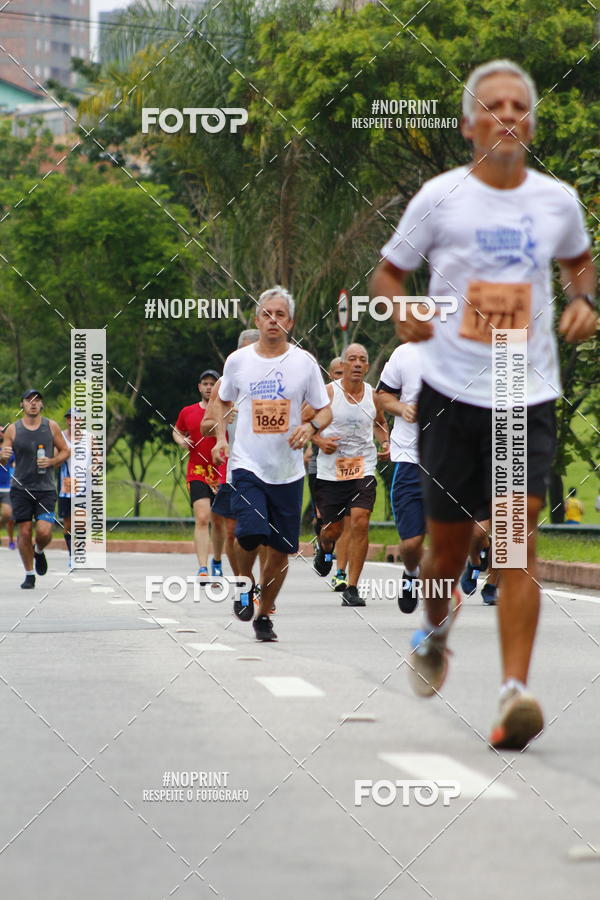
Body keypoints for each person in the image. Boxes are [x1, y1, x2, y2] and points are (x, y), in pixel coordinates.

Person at [370, 59, 598, 750]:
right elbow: (388, 273)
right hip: (448, 393)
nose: (507, 116)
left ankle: (513, 693)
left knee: (515, 540)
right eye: (492, 106)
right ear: (470, 124)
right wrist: (400, 305)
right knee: (442, 554)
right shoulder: (440, 198)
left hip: (522, 392)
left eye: (519, 106)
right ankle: (436, 632)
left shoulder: (556, 200)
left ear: (531, 122)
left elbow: (579, 262)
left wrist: (585, 299)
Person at [211, 285, 331, 641]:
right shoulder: (239, 361)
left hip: (288, 470)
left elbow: (325, 409)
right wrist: (220, 439)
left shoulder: (304, 362)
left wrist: (309, 427)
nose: (273, 320)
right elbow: (220, 400)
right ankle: (244, 584)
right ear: (257, 319)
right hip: (247, 464)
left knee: (281, 550)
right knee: (249, 533)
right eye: (267, 314)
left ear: (290, 322)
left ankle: (264, 616)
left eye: (280, 315)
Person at [308, 343, 389, 607]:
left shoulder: (373, 395)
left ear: (366, 366)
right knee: (333, 530)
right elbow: (304, 424)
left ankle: (352, 587)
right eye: (351, 359)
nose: (356, 364)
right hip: (331, 471)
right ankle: (323, 546)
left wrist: (385, 442)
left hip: (362, 467)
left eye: (362, 360)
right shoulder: (329, 393)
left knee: (360, 521)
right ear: (341, 365)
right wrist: (320, 442)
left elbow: (380, 423)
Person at [201, 329, 267, 592]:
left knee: (262, 531)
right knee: (232, 532)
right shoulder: (224, 385)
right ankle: (244, 583)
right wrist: (221, 425)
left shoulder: (272, 380)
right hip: (234, 468)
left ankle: (262, 584)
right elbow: (205, 425)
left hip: (267, 468)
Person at [0, 390, 69, 588]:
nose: (33, 403)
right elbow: (4, 458)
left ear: (42, 405)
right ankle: (29, 574)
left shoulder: (51, 426)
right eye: (29, 400)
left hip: (45, 489)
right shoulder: (13, 429)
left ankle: (38, 550)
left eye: (37, 400)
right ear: (21, 404)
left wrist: (52, 461)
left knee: (44, 532)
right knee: (24, 530)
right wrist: (2, 456)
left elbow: (66, 450)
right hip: (20, 488)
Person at [377, 342, 425, 613]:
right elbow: (383, 396)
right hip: (411, 459)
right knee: (411, 542)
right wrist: (402, 408)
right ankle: (411, 573)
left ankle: (474, 567)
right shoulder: (405, 353)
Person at [173, 370, 227, 578]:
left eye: (212, 384)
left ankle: (218, 560)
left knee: (219, 520)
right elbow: (177, 430)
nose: (208, 387)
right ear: (199, 387)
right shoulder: (188, 411)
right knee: (202, 517)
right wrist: (182, 440)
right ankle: (202, 567)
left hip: (221, 470)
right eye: (204, 383)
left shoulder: (227, 409)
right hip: (197, 471)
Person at [0, 426, 16, 550]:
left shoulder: (9, 450)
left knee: (8, 515)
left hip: (6, 487)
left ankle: (11, 539)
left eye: (2, 432)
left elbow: (15, 465)